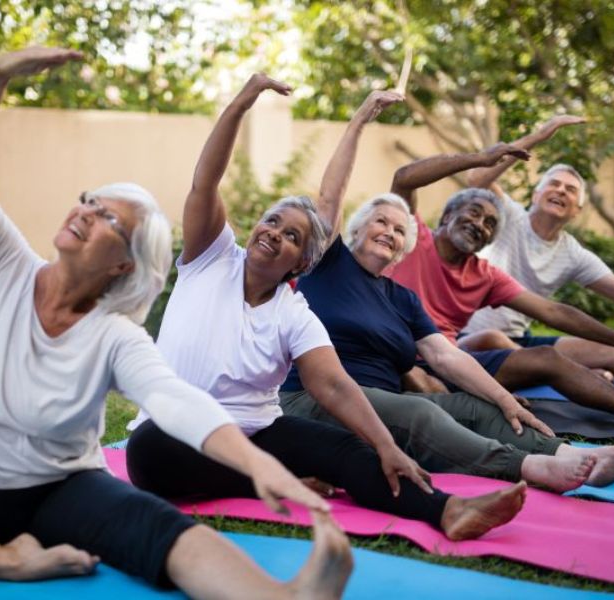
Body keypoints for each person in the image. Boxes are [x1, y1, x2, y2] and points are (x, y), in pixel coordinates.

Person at [0, 47, 359, 599]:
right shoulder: (0, 266)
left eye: (107, 218)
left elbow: (174, 399)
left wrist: (256, 463)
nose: (83, 211)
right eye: (88, 201)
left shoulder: (113, 335)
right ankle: (5, 561)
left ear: (125, 263)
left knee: (163, 531)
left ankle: (286, 596)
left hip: (61, 491)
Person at [126, 75, 528, 542]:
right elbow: (206, 180)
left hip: (255, 432)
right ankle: (275, 481)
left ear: (304, 261)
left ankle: (446, 509)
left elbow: (335, 386)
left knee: (346, 447)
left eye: (292, 235)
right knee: (148, 450)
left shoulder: (295, 313)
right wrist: (241, 103)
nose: (274, 232)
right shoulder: (210, 259)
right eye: (272, 220)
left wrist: (383, 444)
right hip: (175, 437)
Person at [279, 188, 614, 489]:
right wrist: (359, 121)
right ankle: (530, 466)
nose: (389, 232)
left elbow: (447, 356)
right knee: (417, 412)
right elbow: (330, 196)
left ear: (404, 247)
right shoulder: (330, 262)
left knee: (478, 407)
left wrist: (505, 399)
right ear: (357, 227)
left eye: (399, 230)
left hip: (384, 400)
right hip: (316, 399)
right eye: (380, 222)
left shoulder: (404, 299)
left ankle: (572, 453)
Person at [385, 144, 614, 419]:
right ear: (448, 215)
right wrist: (479, 159)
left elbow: (554, 312)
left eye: (489, 224)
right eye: (474, 213)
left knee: (547, 358)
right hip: (402, 357)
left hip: (450, 363)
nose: (480, 224)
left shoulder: (485, 274)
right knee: (432, 388)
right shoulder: (414, 238)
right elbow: (404, 178)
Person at [458, 116, 614, 381]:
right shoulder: (508, 215)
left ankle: (575, 372)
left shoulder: (572, 253)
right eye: (554, 184)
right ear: (536, 195)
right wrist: (538, 136)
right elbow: (476, 179)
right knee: (493, 338)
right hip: (467, 338)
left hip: (520, 341)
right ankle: (579, 374)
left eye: (570, 190)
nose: (560, 190)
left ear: (577, 210)